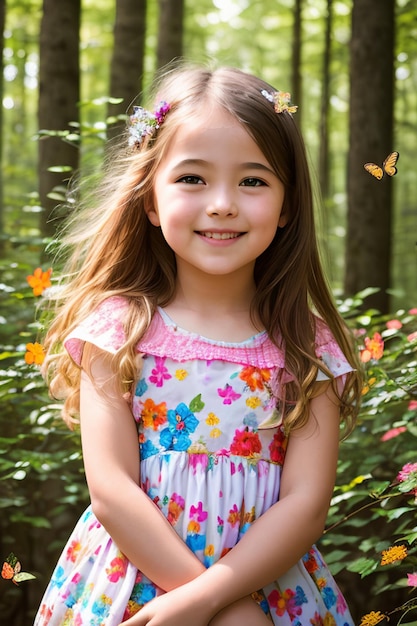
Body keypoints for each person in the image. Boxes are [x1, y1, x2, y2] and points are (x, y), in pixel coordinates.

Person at [34, 65, 362, 626]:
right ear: (151, 201)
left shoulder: (310, 347)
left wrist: (215, 602)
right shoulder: (118, 329)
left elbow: (305, 505)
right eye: (192, 179)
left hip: (272, 591)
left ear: (287, 206)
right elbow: (111, 489)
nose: (222, 204)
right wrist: (213, 605)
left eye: (253, 181)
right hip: (134, 587)